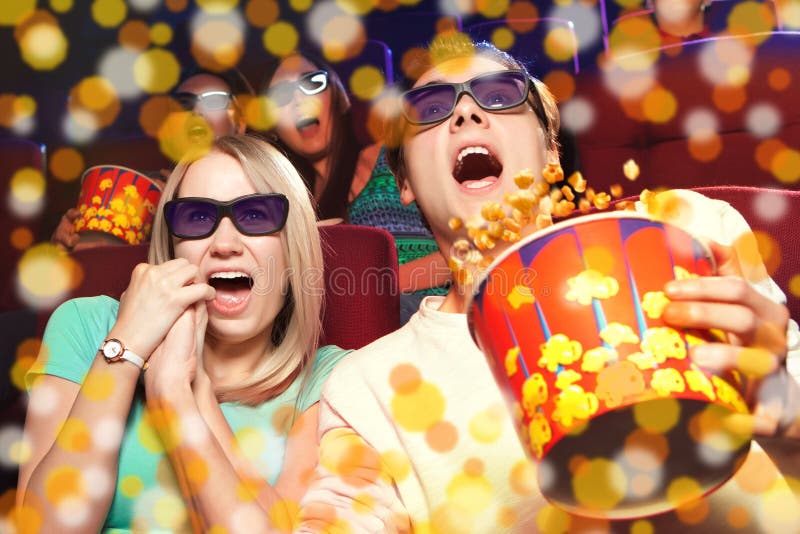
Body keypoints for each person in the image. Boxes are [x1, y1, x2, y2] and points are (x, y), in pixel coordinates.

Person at [296, 37, 800, 532]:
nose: (466, 114)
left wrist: (788, 416)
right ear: (403, 182)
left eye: (499, 95)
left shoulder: (689, 232)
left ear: (551, 149)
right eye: (429, 108)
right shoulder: (366, 387)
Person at [18, 135, 350, 532]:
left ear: (293, 248)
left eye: (257, 215)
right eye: (197, 217)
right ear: (172, 244)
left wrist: (180, 396)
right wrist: (128, 347)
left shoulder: (331, 379)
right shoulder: (87, 325)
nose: (225, 244)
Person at [263, 51, 451, 323]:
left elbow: (464, 251)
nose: (298, 100)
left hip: (430, 312)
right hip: (345, 334)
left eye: (312, 83)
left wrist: (380, 287)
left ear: (338, 98)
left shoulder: (392, 158)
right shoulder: (292, 208)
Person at [51, 67, 251, 251]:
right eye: (183, 104)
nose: (196, 112)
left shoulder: (262, 182)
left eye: (214, 101)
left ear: (240, 125)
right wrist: (65, 247)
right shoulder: (137, 191)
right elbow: (96, 258)